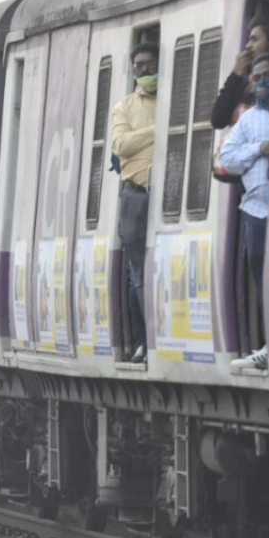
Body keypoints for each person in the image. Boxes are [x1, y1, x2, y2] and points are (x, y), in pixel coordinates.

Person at [222, 53, 269, 371]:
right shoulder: (248, 120)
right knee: (262, 278)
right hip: (256, 210)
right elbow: (227, 159)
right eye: (257, 77)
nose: (263, 81)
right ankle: (267, 344)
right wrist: (259, 148)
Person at [109, 42, 159, 364]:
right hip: (137, 195)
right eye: (138, 65)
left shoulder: (175, 95)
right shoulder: (124, 106)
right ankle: (144, 340)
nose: (144, 70)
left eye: (149, 64)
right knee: (138, 271)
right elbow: (119, 145)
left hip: (166, 196)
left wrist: (141, 136)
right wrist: (157, 130)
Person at [210, 18, 269, 130]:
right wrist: (235, 75)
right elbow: (218, 120)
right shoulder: (242, 83)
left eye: (255, 39)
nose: (248, 46)